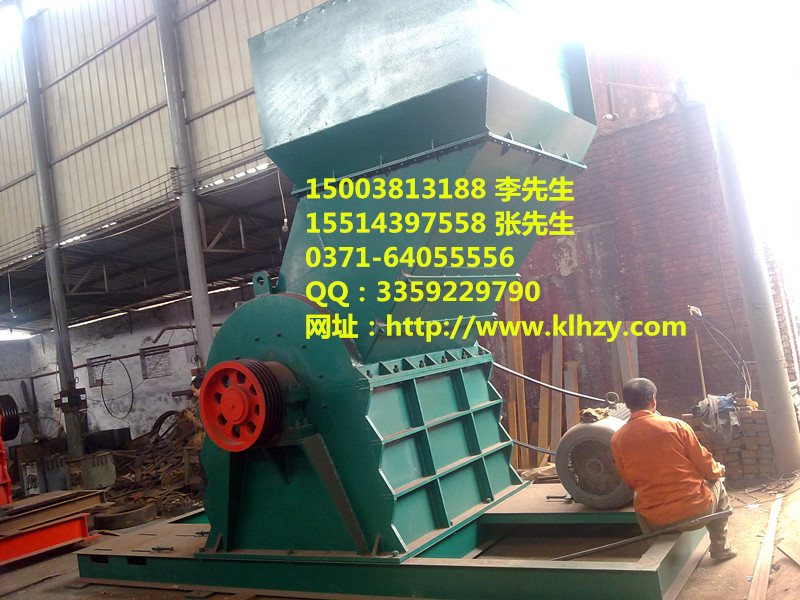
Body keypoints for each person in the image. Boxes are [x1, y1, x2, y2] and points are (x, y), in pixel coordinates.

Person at [610, 377, 736, 561]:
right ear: (653, 400)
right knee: (716, 481)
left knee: (638, 497)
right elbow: (706, 467)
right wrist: (719, 470)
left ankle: (656, 551)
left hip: (657, 521)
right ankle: (720, 548)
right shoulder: (676, 426)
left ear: (627, 405)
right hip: (697, 511)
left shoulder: (617, 439)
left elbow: (629, 482)